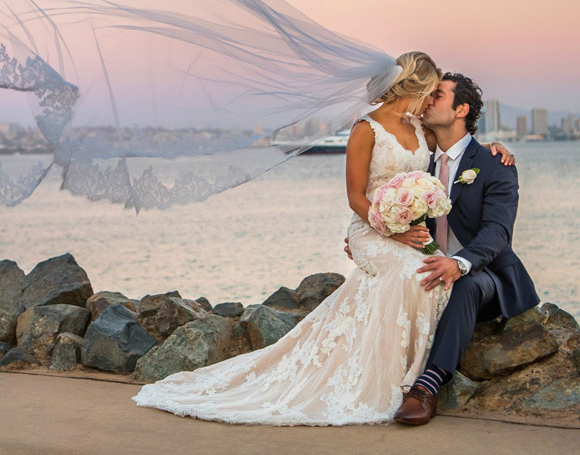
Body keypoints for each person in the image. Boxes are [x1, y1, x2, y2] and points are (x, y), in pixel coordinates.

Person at [132, 52, 514, 425]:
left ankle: (416, 379)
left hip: (408, 233)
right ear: (415, 86)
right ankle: (397, 381)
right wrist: (389, 230)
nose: (431, 101)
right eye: (431, 92)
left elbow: (459, 152)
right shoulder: (366, 129)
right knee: (411, 274)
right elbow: (356, 197)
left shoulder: (423, 131)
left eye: (438, 96)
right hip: (375, 227)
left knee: (423, 274)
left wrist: (495, 150)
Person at [387, 72, 539, 425]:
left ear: (461, 110)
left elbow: (497, 233)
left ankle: (427, 386)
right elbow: (399, 214)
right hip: (426, 264)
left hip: (484, 274)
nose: (427, 100)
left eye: (437, 95)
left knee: (465, 283)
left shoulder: (495, 165)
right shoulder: (417, 164)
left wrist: (459, 263)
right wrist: (375, 235)